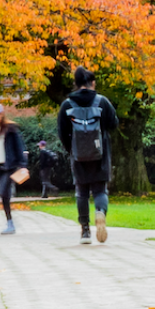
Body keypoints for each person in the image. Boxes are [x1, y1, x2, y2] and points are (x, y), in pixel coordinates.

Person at [57, 67, 119, 245]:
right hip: (100, 153)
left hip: (78, 154)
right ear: (92, 82)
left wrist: (71, 148)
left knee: (82, 192)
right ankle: (100, 211)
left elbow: (62, 132)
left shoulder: (67, 105)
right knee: (100, 190)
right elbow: (114, 123)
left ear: (76, 83)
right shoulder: (102, 102)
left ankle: (85, 230)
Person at [0, 104, 26, 235]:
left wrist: (23, 165)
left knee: (2, 192)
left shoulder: (10, 129)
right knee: (4, 196)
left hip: (10, 166)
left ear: (1, 113)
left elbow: (19, 147)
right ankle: (10, 222)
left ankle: (11, 223)